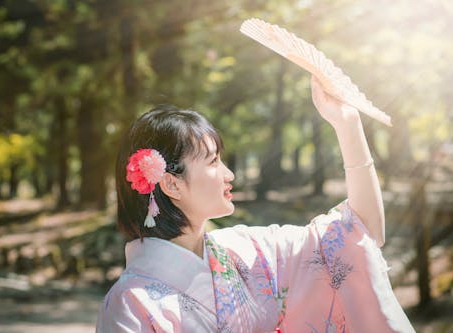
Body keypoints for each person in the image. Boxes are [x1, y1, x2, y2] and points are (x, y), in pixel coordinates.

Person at [95, 77, 415, 332]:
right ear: (171, 184)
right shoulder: (130, 304)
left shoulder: (248, 251)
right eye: (214, 161)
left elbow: (359, 231)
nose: (229, 174)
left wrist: (348, 126)